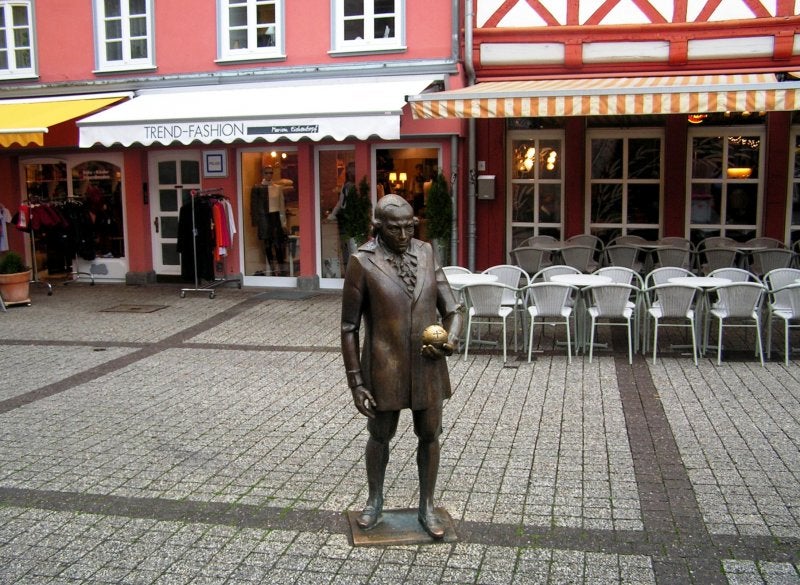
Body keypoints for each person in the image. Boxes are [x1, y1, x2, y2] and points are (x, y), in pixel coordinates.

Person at [340, 194, 463, 539]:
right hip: (383, 367)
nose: (404, 234)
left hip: (428, 366)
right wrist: (356, 382)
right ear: (378, 227)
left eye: (410, 226)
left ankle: (426, 505)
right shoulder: (361, 262)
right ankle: (375, 500)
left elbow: (453, 308)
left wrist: (450, 341)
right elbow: (349, 328)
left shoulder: (426, 253)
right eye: (395, 228)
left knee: (430, 435)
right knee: (380, 436)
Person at [250, 165, 288, 275]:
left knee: (278, 244)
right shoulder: (257, 188)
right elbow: (254, 205)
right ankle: (272, 269)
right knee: (267, 244)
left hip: (275, 217)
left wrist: (283, 223)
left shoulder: (277, 187)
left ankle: (281, 269)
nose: (269, 175)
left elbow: (281, 207)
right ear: (263, 174)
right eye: (266, 173)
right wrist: (255, 222)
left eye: (271, 173)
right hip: (264, 218)